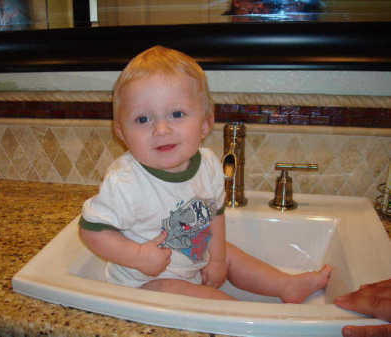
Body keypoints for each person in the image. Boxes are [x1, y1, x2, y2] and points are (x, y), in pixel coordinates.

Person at [79, 45, 331, 302]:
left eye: (177, 114)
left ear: (205, 124)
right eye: (143, 119)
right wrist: (138, 256)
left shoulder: (208, 164)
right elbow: (92, 231)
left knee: (230, 253)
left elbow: (215, 213)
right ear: (121, 132)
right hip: (147, 281)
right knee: (217, 303)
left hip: (191, 257)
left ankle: (285, 284)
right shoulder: (126, 181)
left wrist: (218, 259)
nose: (161, 129)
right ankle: (238, 314)